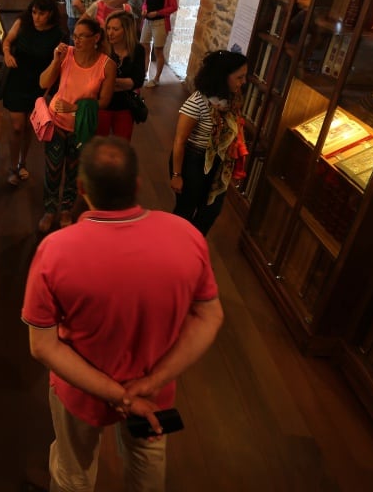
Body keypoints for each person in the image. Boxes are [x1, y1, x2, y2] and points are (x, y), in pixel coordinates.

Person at [23, 136, 224, 492]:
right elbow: (210, 317)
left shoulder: (55, 251)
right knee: (148, 475)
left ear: (82, 187)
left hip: (80, 389)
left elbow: (43, 346)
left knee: (73, 474)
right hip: (153, 393)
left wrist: (118, 396)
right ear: (137, 185)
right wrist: (146, 386)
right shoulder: (187, 236)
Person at [37, 17, 115, 233]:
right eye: (75, 35)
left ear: (96, 38)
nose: (77, 39)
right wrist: (55, 60)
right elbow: (44, 83)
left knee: (73, 170)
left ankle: (66, 209)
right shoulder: (66, 54)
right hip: (56, 122)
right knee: (52, 169)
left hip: (81, 127)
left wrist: (75, 109)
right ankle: (49, 209)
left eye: (82, 36)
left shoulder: (107, 65)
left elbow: (105, 102)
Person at [170, 50, 249, 235]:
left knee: (210, 211)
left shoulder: (231, 100)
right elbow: (179, 141)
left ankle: (192, 248)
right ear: (223, 76)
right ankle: (173, 248)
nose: (243, 82)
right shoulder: (197, 102)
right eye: (239, 77)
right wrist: (176, 174)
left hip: (217, 164)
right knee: (185, 212)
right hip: (193, 162)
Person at [1, 0, 66, 187]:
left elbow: (58, 65)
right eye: (34, 12)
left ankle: (23, 161)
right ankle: (12, 167)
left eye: (41, 13)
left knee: (29, 125)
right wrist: (6, 54)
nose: (36, 17)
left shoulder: (57, 34)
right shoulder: (23, 22)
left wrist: (49, 91)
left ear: (51, 14)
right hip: (16, 79)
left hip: (38, 84)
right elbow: (7, 41)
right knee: (16, 126)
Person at [97, 10, 146, 141]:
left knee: (122, 146)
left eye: (115, 29)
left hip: (125, 105)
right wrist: (123, 83)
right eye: (108, 28)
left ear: (126, 30)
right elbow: (96, 80)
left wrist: (109, 83)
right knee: (99, 146)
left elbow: (138, 81)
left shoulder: (138, 50)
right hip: (102, 105)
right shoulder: (102, 49)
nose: (109, 33)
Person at [140, 0, 178, 87]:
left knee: (158, 50)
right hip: (147, 22)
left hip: (160, 23)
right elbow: (145, 3)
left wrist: (157, 13)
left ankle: (156, 78)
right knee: (145, 47)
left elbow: (173, 7)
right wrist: (144, 10)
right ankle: (145, 72)